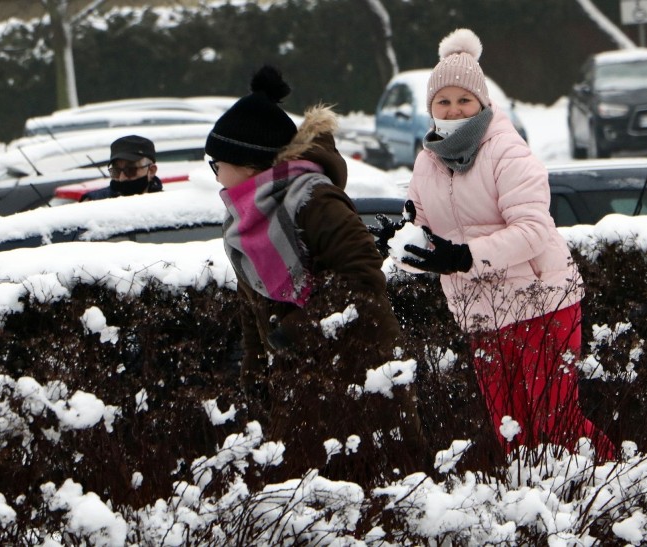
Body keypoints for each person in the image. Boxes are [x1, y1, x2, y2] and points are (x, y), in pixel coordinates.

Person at [398, 29, 615, 461]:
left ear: (482, 102)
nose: (454, 109)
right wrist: (401, 243)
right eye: (444, 101)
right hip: (481, 314)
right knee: (510, 430)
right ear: (431, 109)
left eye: (464, 100)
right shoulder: (427, 162)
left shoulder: (507, 151)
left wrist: (464, 257)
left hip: (542, 303)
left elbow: (533, 229)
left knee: (555, 423)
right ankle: (537, 515)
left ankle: (613, 490)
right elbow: (426, 241)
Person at [206, 65, 423, 481]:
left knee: (381, 484)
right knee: (304, 494)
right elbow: (255, 301)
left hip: (360, 368)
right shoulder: (246, 220)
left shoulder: (314, 200)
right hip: (297, 378)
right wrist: (255, 371)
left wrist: (298, 331)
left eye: (218, 163)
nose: (214, 173)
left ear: (249, 165)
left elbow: (363, 275)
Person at [81, 135, 162, 201]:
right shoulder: (93, 202)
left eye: (130, 170)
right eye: (116, 171)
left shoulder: (165, 204)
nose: (122, 178)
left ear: (151, 171)